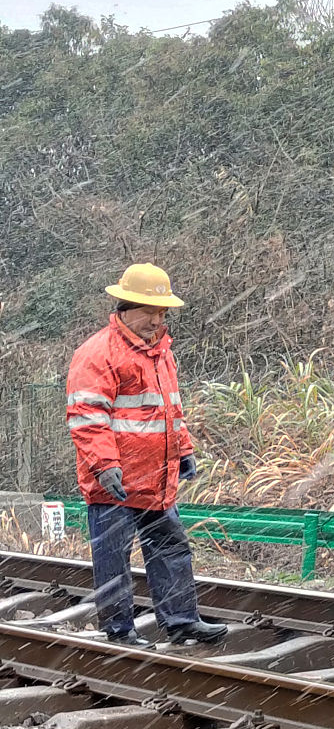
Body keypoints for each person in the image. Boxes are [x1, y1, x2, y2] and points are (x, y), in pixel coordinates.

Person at [66, 264, 228, 648]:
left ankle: (181, 622)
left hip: (155, 477)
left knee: (171, 547)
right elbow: (88, 417)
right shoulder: (97, 353)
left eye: (162, 313)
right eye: (151, 312)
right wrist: (105, 466)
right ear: (125, 307)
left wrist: (183, 450)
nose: (157, 320)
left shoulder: (161, 353)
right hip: (115, 481)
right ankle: (119, 631)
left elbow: (171, 409)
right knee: (113, 558)